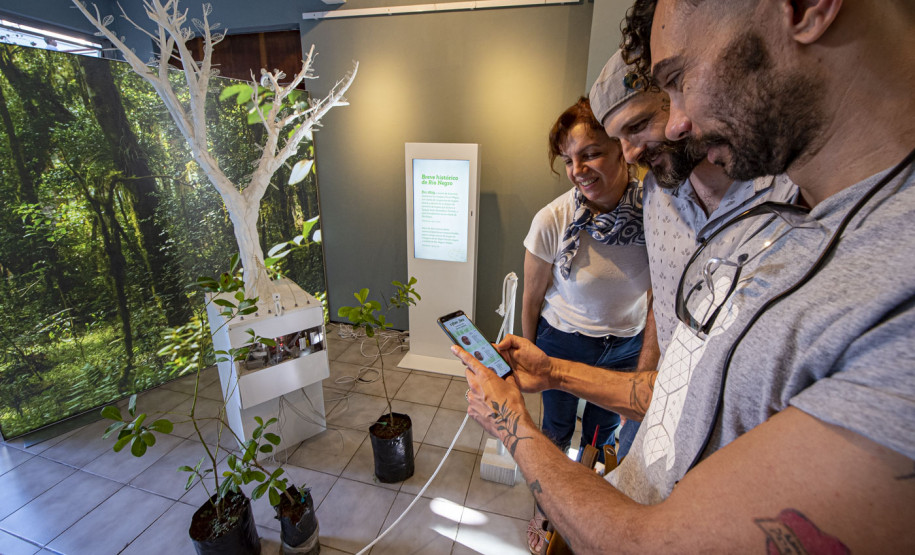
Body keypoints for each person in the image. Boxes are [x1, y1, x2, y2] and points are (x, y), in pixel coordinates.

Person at [452, 0, 915, 551]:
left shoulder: (870, 271)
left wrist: (511, 424)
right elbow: (675, 391)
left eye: (678, 80)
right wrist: (552, 370)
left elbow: (648, 544)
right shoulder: (768, 220)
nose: (676, 125)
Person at [588, 50, 796, 457]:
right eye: (618, 140)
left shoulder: (786, 193)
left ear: (683, 98)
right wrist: (645, 381)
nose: (630, 153)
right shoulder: (655, 194)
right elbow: (662, 300)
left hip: (740, 442)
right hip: (661, 409)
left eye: (640, 125)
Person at [521, 96, 657, 552]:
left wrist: (645, 364)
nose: (578, 169)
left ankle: (588, 517)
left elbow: (659, 293)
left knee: (602, 436)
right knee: (556, 432)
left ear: (623, 148)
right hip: (562, 341)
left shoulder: (656, 215)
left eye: (591, 153)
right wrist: (528, 352)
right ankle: (548, 515)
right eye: (569, 159)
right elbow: (532, 297)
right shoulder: (553, 220)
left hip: (624, 346)